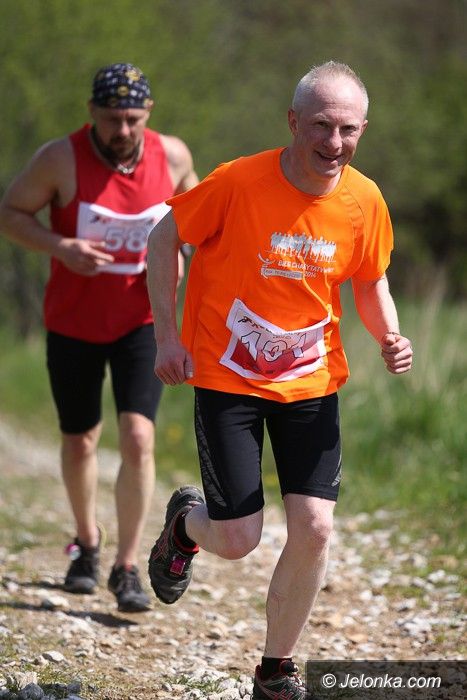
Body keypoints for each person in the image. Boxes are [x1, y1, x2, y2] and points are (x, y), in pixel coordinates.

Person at [146, 60, 413, 698]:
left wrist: (390, 335)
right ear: (293, 122)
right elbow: (163, 239)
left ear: (363, 129)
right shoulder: (238, 181)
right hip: (228, 377)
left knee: (316, 527)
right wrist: (167, 337)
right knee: (238, 539)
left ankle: (275, 669)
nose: (334, 142)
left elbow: (370, 280)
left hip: (310, 382)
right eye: (321, 125)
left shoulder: (365, 200)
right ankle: (186, 526)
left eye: (348, 129)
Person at [0, 62, 198, 613]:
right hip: (74, 322)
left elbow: (202, 220)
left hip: (143, 321)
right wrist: (59, 246)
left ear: (148, 113)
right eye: (112, 119)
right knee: (80, 439)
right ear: (92, 112)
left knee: (138, 437)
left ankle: (127, 565)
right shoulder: (59, 159)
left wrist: (188, 256)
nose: (123, 130)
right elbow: (10, 213)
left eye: (133, 118)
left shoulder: (173, 156)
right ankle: (87, 543)